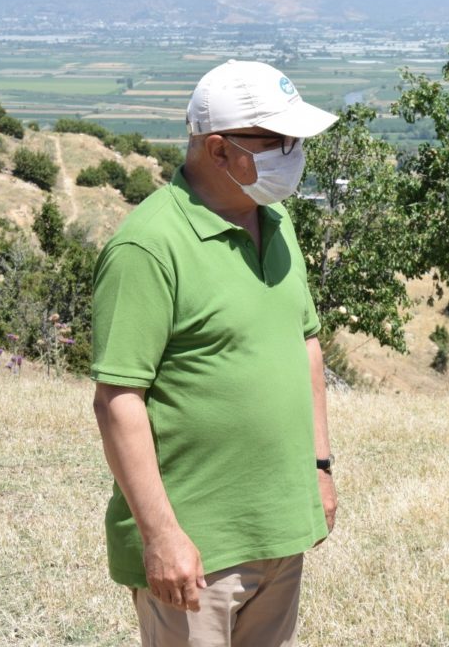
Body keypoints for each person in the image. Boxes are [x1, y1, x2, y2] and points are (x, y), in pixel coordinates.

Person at [91, 59, 339, 646]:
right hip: (197, 550)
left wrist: (319, 469)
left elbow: (305, 344)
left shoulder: (276, 222)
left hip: (279, 530)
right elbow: (118, 400)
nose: (295, 153)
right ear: (219, 149)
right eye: (278, 141)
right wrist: (162, 536)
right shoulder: (147, 248)